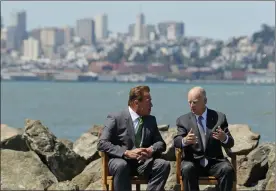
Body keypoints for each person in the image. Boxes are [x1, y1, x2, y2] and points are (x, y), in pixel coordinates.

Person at [97, 85, 170, 191]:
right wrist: (126, 152)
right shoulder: (116, 118)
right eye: (148, 101)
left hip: (143, 163)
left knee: (163, 165)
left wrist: (151, 150)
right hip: (120, 160)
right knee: (121, 165)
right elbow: (102, 143)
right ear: (136, 102)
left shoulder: (150, 120)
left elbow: (161, 144)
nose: (152, 105)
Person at [173, 86, 235, 191]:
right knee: (187, 169)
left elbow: (230, 143)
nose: (191, 105)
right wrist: (185, 140)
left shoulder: (219, 118)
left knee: (227, 169)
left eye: (195, 102)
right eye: (189, 102)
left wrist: (224, 138)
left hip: (215, 162)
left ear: (205, 101)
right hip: (193, 162)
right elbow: (176, 141)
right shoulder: (183, 120)